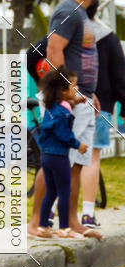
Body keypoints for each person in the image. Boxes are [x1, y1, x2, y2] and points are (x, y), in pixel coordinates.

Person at [27, 0, 103, 239]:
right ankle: (35, 221)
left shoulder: (79, 12)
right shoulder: (67, 10)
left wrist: (90, 93)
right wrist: (66, 95)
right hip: (70, 99)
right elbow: (53, 50)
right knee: (55, 160)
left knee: (77, 162)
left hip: (82, 98)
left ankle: (71, 222)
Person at [79, 0, 125, 227]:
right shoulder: (108, 36)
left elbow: (34, 56)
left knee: (64, 158)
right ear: (97, 9)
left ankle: (53, 213)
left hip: (69, 104)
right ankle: (87, 214)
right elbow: (119, 76)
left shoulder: (65, 32)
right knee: (91, 158)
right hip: (101, 107)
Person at [36, 69, 88, 240]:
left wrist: (76, 101)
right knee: (64, 192)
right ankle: (65, 229)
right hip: (59, 157)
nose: (77, 87)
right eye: (74, 85)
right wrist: (78, 144)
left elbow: (65, 107)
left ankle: (42, 227)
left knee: (51, 192)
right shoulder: (62, 113)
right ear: (63, 91)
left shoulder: (52, 107)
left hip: (46, 156)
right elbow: (63, 134)